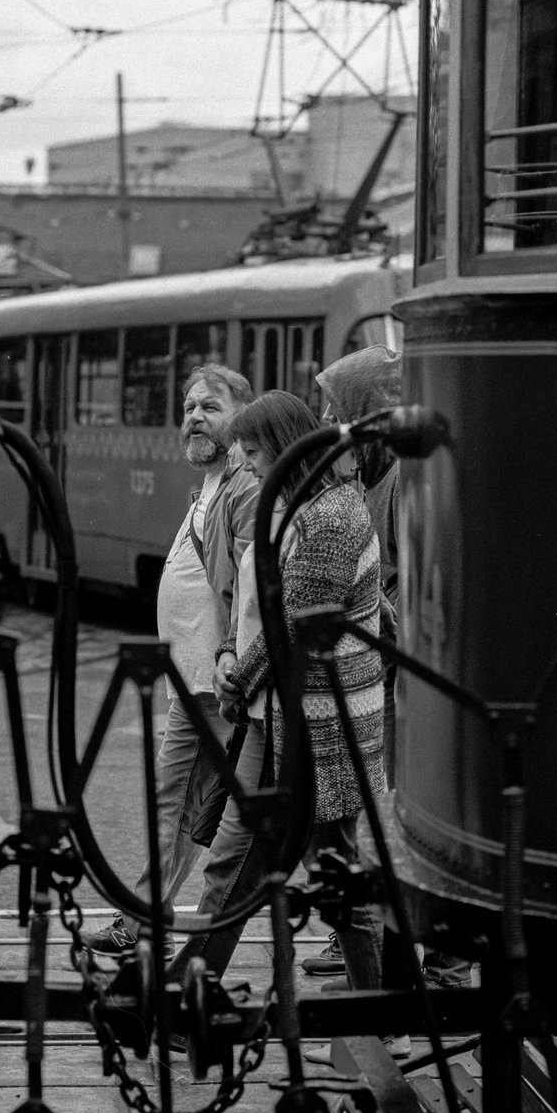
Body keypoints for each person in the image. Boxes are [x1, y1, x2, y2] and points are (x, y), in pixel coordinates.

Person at [169, 389, 388, 1001]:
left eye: (255, 452)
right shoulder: (303, 507)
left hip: (322, 727)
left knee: (334, 869)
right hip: (284, 719)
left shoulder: (334, 517)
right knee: (239, 856)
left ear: (284, 448)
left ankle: (379, 1011)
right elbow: (262, 612)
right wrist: (231, 660)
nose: (250, 465)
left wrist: (238, 679)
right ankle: (196, 977)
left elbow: (295, 621)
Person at [79, 362, 256, 960]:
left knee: (192, 809)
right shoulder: (208, 486)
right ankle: (143, 917)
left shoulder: (241, 489)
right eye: (188, 408)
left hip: (217, 683)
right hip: (195, 682)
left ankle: (142, 921)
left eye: (209, 407)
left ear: (241, 417)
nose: (194, 419)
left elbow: (252, 592)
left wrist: (234, 661)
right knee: (183, 809)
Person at [300, 346, 402, 979]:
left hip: (388, 678)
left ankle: (401, 961)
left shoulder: (398, 484)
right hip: (380, 672)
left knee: (375, 815)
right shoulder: (374, 479)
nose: (329, 423)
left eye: (338, 409)